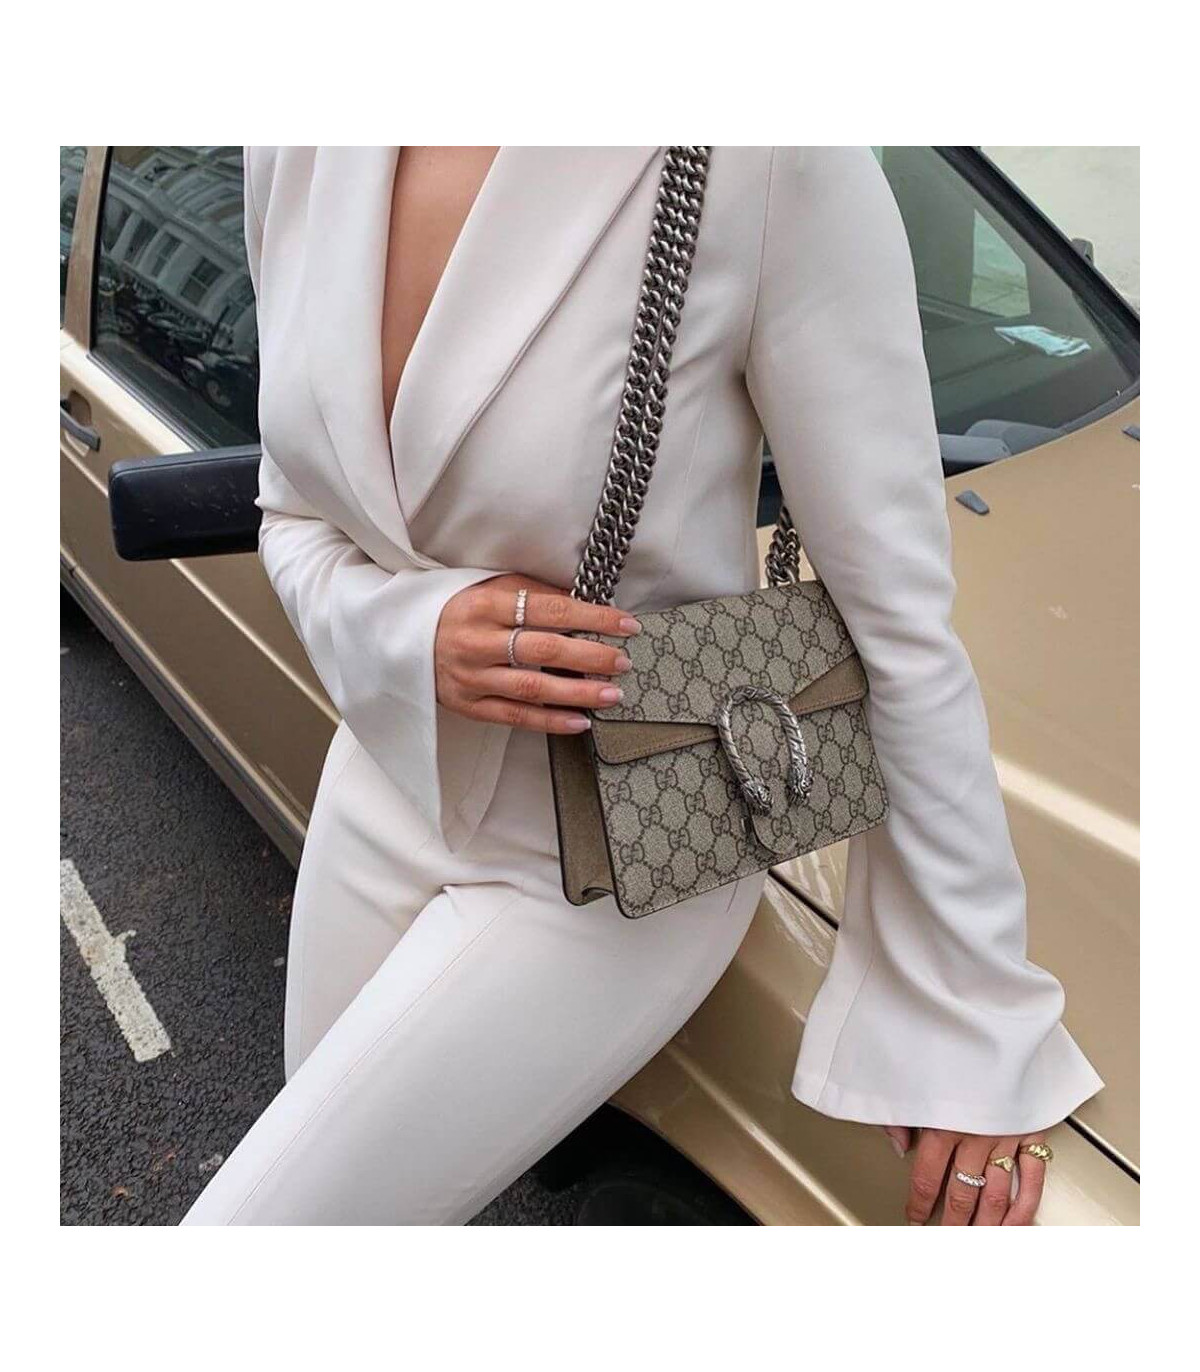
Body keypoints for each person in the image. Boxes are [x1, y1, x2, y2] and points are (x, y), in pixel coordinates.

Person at [181, 146, 1103, 1226]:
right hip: (385, 776)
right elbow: (293, 505)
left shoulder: (761, 152)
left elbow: (895, 617)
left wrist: (968, 1009)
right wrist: (412, 633)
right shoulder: (297, 138)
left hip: (631, 841)